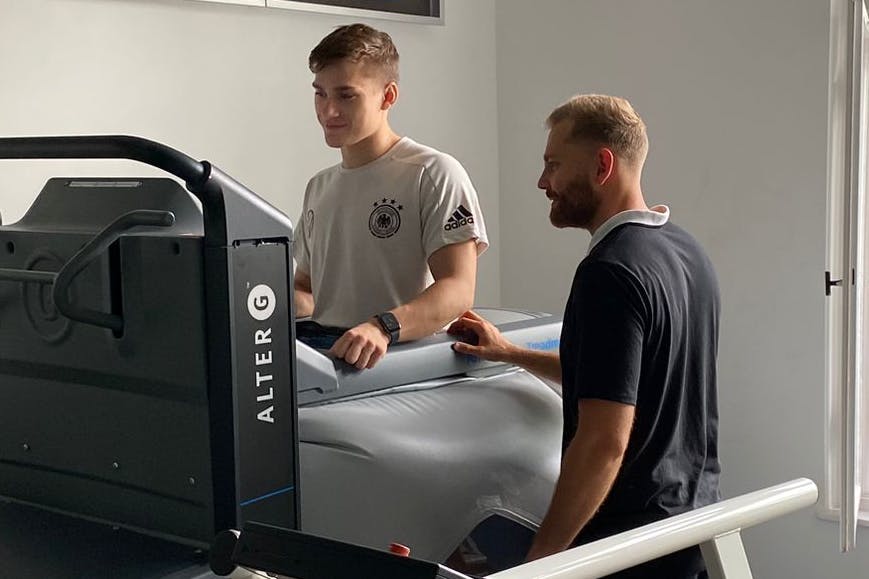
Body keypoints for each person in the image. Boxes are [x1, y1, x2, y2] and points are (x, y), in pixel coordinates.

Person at [449, 94, 720, 578]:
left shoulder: (609, 273)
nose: (542, 182)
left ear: (602, 165)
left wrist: (541, 561)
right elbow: (621, 379)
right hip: (693, 530)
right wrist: (510, 352)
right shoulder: (684, 251)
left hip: (634, 549)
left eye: (553, 164)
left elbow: (603, 443)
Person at [294, 23, 488, 369]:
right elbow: (306, 290)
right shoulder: (319, 187)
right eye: (320, 94)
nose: (328, 111)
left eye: (346, 95)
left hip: (403, 361)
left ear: (388, 96)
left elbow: (458, 288)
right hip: (333, 357)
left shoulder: (433, 172)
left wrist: (382, 327)